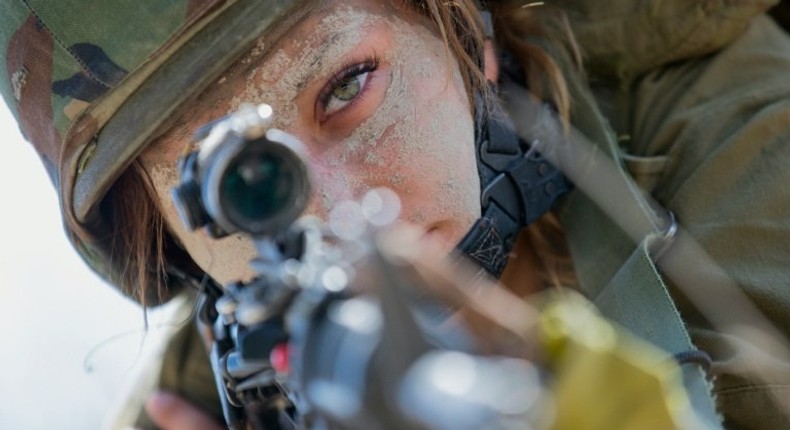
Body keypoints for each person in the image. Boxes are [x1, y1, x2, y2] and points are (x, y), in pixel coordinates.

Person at [2, 0, 790, 429]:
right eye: (238, 188)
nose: (342, 214)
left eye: (347, 87)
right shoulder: (207, 395)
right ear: (175, 242)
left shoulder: (749, 153)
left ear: (461, 32)